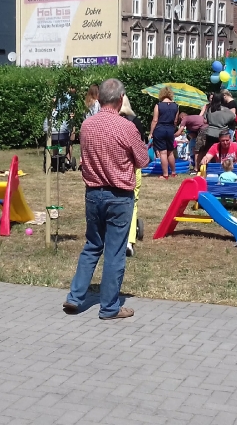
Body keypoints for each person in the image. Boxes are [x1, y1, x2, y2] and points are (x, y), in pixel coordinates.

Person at [63, 78, 149, 320]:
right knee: (115, 252)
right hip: (119, 195)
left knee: (92, 245)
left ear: (99, 98)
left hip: (93, 193)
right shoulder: (127, 127)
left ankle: (75, 297)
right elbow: (143, 161)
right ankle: (109, 307)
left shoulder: (87, 125)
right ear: (121, 100)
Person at [119, 95, 145, 258]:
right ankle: (128, 241)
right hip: (132, 167)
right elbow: (142, 150)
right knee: (132, 202)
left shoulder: (108, 122)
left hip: (113, 167)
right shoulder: (135, 122)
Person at [148, 86, 178, 179]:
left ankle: (165, 175)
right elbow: (175, 121)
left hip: (160, 129)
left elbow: (155, 120)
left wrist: (151, 133)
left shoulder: (158, 105)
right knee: (171, 152)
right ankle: (173, 172)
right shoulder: (176, 106)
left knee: (163, 153)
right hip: (170, 130)